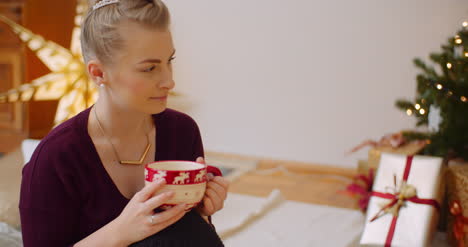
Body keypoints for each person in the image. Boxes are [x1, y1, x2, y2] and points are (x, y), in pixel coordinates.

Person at [19, 0, 229, 246]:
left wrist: (203, 208)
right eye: (149, 68)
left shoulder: (181, 131)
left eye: (168, 61)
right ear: (98, 73)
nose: (169, 81)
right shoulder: (56, 158)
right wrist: (121, 231)